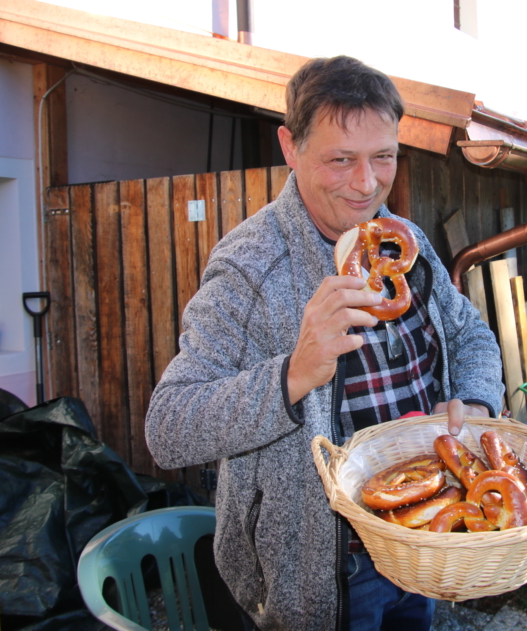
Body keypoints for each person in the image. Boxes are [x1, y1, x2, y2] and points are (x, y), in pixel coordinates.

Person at [145, 55, 504, 631]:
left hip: (421, 537)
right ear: (290, 146)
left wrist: (478, 399)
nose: (367, 185)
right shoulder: (251, 268)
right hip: (323, 571)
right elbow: (169, 426)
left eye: (383, 157)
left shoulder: (403, 241)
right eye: (341, 160)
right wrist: (294, 372)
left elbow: (470, 335)